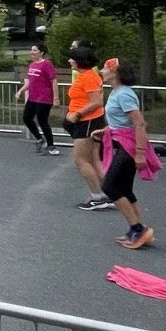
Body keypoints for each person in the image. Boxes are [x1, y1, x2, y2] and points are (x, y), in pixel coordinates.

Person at [97, 58, 159, 249]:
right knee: (124, 188)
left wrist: (140, 153)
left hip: (129, 146)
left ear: (114, 73)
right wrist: (107, 130)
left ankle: (138, 229)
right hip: (123, 142)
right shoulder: (117, 92)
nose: (101, 71)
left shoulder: (124, 94)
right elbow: (122, 121)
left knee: (110, 187)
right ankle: (139, 230)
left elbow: (139, 123)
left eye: (105, 69)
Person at [64, 45, 110, 211]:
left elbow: (96, 102)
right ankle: (108, 193)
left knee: (81, 160)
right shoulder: (85, 76)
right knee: (92, 159)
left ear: (80, 61)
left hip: (87, 122)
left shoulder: (89, 77)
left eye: (72, 58)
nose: (69, 61)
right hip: (86, 121)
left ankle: (97, 197)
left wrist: (77, 114)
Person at [16, 43, 59, 155]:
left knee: (42, 120)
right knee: (27, 118)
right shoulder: (32, 65)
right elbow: (30, 82)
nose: (32, 52)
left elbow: (53, 81)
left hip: (44, 98)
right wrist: (21, 90)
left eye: (34, 50)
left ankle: (51, 146)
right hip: (33, 97)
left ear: (41, 52)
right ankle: (40, 139)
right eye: (32, 50)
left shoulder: (47, 64)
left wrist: (56, 98)